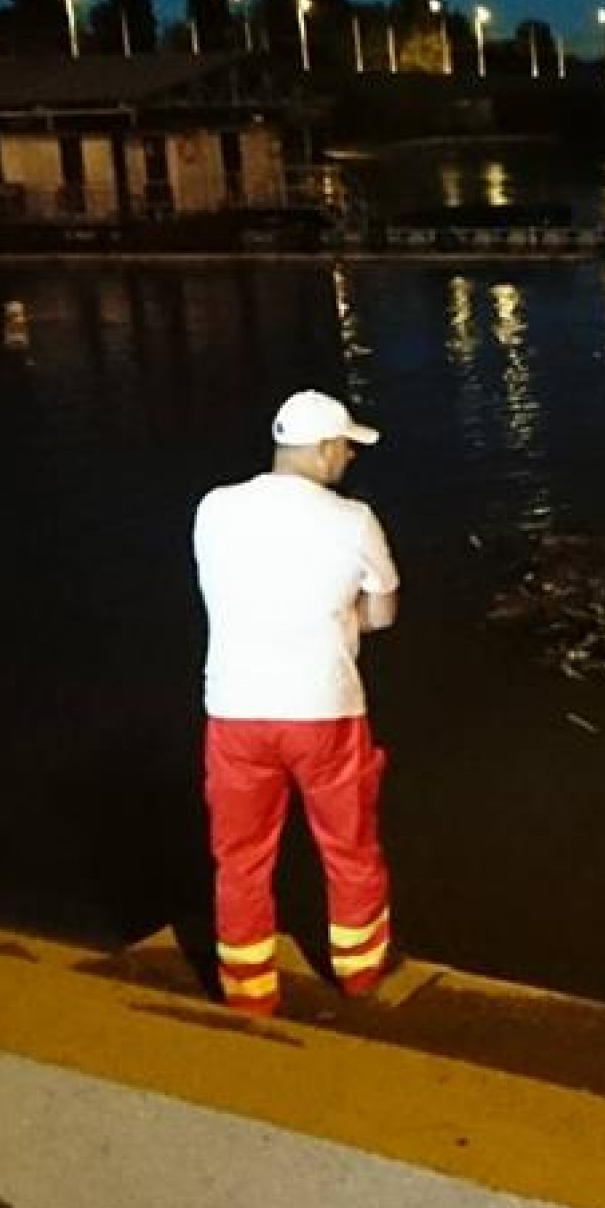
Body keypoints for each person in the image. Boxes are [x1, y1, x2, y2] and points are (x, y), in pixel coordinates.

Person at [192, 388, 400, 1016]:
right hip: (325, 711)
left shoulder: (214, 508)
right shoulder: (353, 519)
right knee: (349, 845)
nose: (348, 461)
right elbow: (383, 613)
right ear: (324, 449)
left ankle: (249, 989)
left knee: (241, 855)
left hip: (235, 710)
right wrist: (345, 622)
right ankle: (360, 972)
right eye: (345, 449)